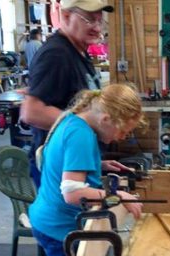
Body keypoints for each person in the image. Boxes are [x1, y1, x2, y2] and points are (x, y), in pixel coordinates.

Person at [29, 84, 146, 256]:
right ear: (106, 119)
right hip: (59, 227)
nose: (122, 137)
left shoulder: (74, 122)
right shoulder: (80, 134)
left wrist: (99, 164)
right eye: (123, 131)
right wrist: (120, 197)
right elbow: (72, 193)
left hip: (47, 220)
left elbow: (63, 164)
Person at [20, 0, 125, 188]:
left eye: (100, 21)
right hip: (59, 170)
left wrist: (94, 163)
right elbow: (32, 112)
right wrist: (87, 125)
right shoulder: (56, 55)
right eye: (89, 19)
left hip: (74, 162)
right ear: (66, 16)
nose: (96, 27)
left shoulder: (79, 52)